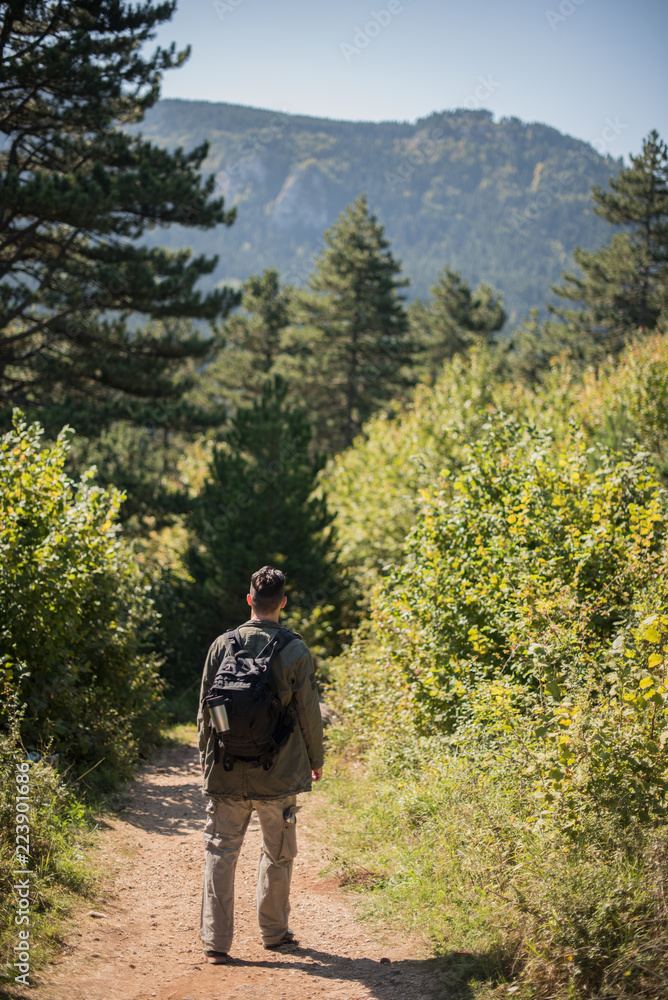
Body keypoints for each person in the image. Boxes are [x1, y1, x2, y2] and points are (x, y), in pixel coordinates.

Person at [197, 565, 324, 965]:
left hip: (227, 771)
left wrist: (210, 764)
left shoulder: (221, 645)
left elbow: (206, 713)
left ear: (249, 600)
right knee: (278, 853)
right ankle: (273, 932)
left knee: (221, 851)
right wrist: (316, 760)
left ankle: (216, 942)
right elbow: (308, 713)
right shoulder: (296, 650)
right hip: (279, 772)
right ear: (282, 603)